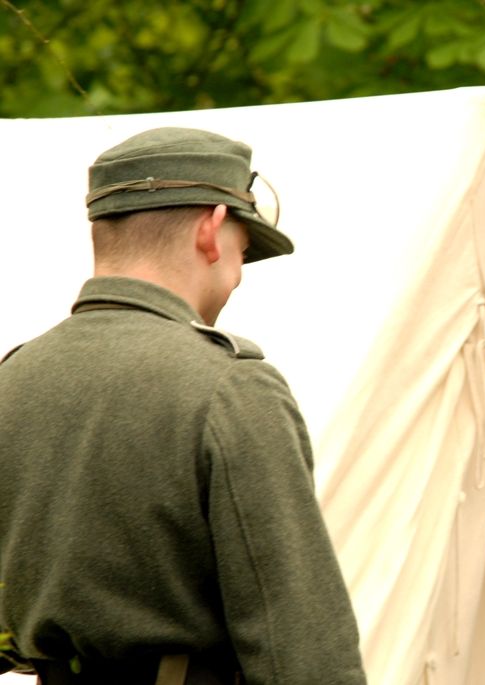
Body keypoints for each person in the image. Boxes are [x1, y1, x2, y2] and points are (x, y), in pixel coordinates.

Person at [0, 127, 366, 685]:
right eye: (244, 252)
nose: (237, 277)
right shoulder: (230, 387)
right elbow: (301, 650)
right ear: (212, 230)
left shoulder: (12, 379)